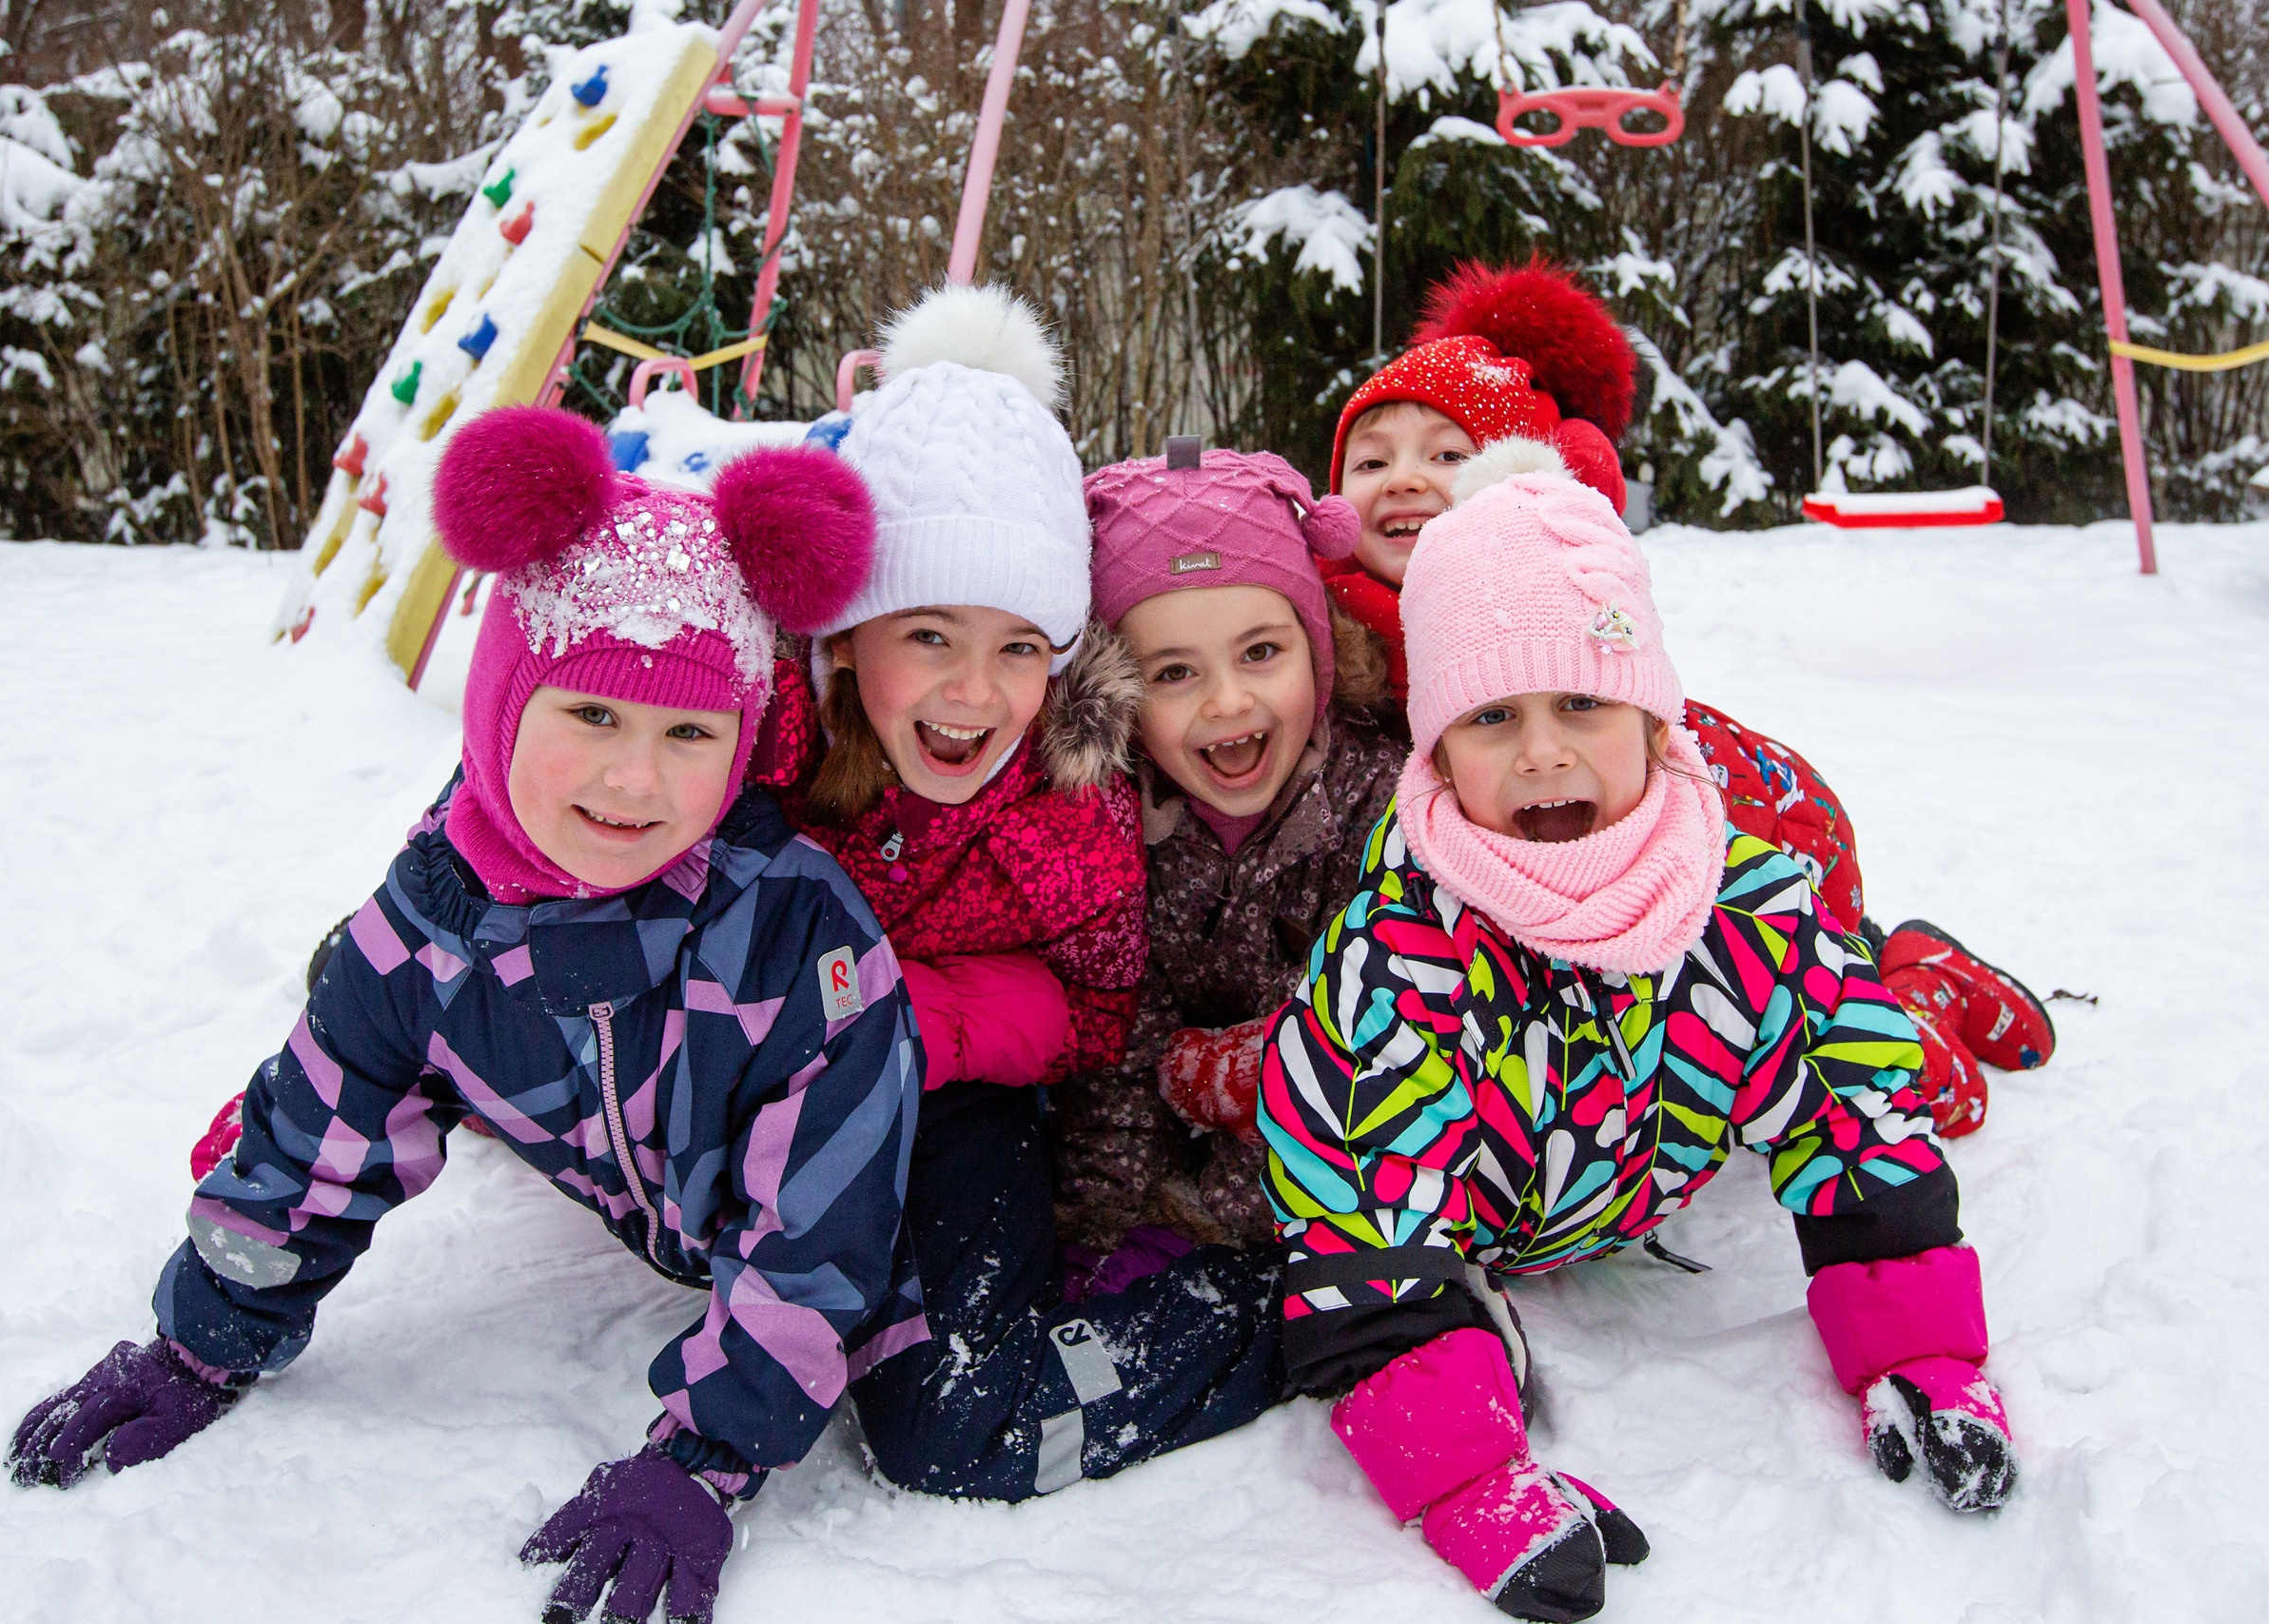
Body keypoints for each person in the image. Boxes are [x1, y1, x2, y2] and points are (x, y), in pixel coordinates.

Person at [10, 407, 922, 1624]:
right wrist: (199, 1342)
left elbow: (822, 1235)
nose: (634, 779)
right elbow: (317, 1130)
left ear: (741, 739)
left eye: (689, 733)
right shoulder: (427, 923)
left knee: (954, 1423)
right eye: (590, 715)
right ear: (502, 704)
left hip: (885, 1217)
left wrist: (705, 1456)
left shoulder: (799, 942)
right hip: (642, 1185)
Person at [1262, 442, 2017, 1622]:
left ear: (1656, 718)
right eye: (1492, 717)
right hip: (1489, 1223)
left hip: (1639, 1172)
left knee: (1875, 1029)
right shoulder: (1402, 960)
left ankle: (1923, 970)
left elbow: (1856, 1115)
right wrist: (1467, 1477)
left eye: (1582, 703)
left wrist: (1918, 1352)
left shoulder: (1746, 911)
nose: (1543, 751)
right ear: (1437, 748)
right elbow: (1360, 1210)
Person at [1322, 256, 2053, 1137]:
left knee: (1878, 1082)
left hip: (1747, 826)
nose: (1403, 478)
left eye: (1447, 455)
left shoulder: (1565, 576)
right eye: (1372, 458)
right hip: (1537, 842)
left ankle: (1913, 972)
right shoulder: (1322, 621)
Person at [775, 285, 1288, 1502]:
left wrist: (905, 1021)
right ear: (847, 634)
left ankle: (1287, 1315)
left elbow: (1100, 1014)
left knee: (950, 1434)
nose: (976, 692)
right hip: (763, 1108)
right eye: (930, 634)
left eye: (1020, 645)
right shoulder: (763, 739)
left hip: (962, 1109)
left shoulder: (1066, 799)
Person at [1054, 437, 1399, 1249]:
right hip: (1196, 1133)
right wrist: (1106, 1226)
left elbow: (1374, 1059)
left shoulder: (1377, 808)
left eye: (1261, 652)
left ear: (1317, 649)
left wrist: (1223, 1212)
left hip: (1316, 1178)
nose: (1229, 699)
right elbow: (1118, 1057)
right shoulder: (1110, 828)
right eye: (1174, 672)